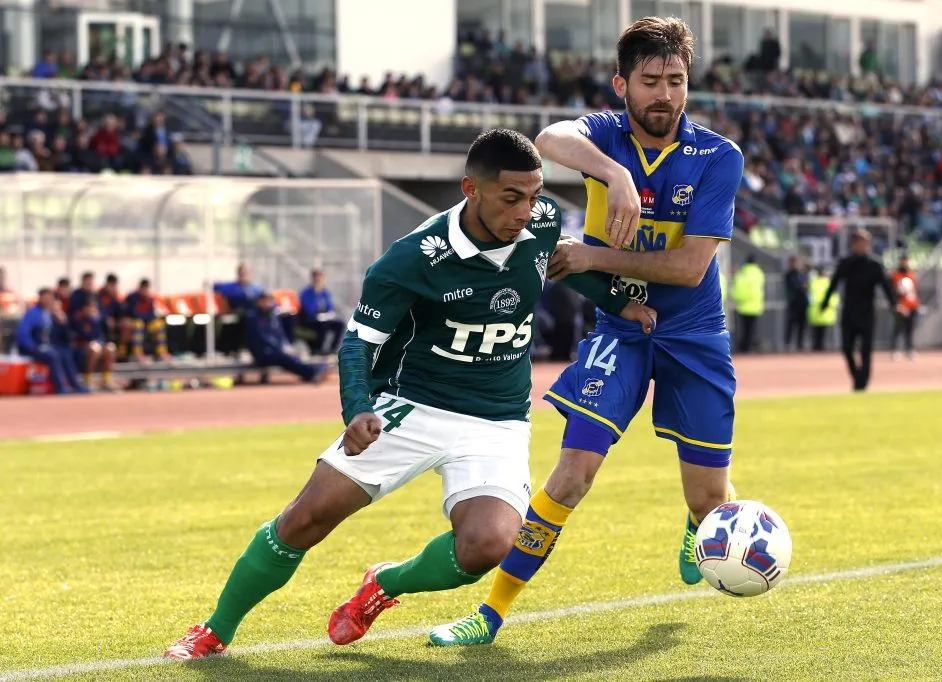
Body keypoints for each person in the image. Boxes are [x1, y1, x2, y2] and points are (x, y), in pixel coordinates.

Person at [163, 129, 656, 660]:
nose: (526, 210)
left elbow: (555, 266)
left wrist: (617, 301)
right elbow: (358, 344)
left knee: (487, 545)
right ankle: (215, 629)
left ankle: (384, 584)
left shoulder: (538, 223)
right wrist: (358, 410)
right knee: (305, 519)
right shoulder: (413, 259)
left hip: (497, 420)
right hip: (413, 405)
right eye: (512, 197)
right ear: (472, 189)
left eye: (535, 195)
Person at [430, 16, 743, 646]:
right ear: (620, 84)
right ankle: (490, 614)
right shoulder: (604, 135)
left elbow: (688, 268)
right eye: (651, 81)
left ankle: (697, 523)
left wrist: (594, 256)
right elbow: (547, 138)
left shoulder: (718, 156)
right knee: (572, 473)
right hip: (621, 330)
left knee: (711, 501)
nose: (665, 95)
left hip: (694, 331)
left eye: (676, 81)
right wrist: (618, 175)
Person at [820, 230, 896, 391]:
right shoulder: (846, 263)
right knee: (847, 348)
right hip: (849, 312)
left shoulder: (874, 265)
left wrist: (894, 305)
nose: (862, 246)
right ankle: (857, 378)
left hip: (867, 313)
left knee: (866, 351)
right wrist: (824, 303)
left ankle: (862, 383)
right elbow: (834, 284)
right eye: (859, 243)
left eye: (865, 243)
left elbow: (886, 286)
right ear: (853, 245)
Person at [15, 288, 87, 394]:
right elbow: (22, 333)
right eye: (45, 298)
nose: (48, 301)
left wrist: (63, 322)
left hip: (49, 346)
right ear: (40, 299)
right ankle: (60, 387)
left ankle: (75, 384)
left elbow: (66, 337)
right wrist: (32, 347)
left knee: (66, 353)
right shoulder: (33, 313)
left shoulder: (51, 314)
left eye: (50, 298)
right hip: (34, 347)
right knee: (54, 355)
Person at [244, 291, 326, 383]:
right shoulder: (253, 317)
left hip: (275, 351)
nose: (267, 303)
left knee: (291, 357)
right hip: (262, 353)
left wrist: (285, 346)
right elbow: (261, 338)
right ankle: (312, 372)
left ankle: (312, 372)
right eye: (264, 301)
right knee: (286, 358)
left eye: (269, 301)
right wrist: (278, 349)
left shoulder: (272, 315)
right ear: (259, 302)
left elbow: (279, 334)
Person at [71, 295, 117, 391]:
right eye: (89, 307)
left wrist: (96, 321)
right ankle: (87, 380)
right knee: (94, 348)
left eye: (93, 307)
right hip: (81, 348)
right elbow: (83, 336)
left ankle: (106, 380)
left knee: (110, 348)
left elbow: (101, 336)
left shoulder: (97, 320)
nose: (91, 310)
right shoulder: (78, 320)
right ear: (83, 308)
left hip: (97, 345)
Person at [298, 268, 346, 355]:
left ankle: (332, 350)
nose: (318, 280)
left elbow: (330, 307)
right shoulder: (306, 293)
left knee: (340, 324)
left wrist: (329, 314)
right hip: (310, 320)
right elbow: (309, 309)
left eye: (320, 278)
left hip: (324, 318)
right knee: (321, 326)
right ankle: (317, 350)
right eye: (316, 278)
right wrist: (316, 293)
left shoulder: (326, 293)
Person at [123, 278, 171, 362]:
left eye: (146, 288)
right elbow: (133, 314)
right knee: (138, 324)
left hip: (147, 323)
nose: (144, 290)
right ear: (139, 288)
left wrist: (145, 317)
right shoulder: (132, 297)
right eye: (143, 288)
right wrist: (144, 317)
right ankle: (137, 353)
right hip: (134, 323)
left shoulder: (150, 299)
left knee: (159, 324)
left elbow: (153, 314)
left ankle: (161, 352)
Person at [731, 255, 766, 353]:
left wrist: (737, 298)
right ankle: (751, 346)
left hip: (742, 306)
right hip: (756, 305)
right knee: (752, 329)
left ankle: (744, 347)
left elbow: (737, 289)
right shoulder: (759, 273)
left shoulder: (742, 273)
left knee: (743, 329)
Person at [890, 255, 919, 359]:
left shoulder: (912, 274)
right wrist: (896, 305)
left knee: (910, 329)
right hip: (900, 306)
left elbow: (915, 291)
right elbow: (892, 292)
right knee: (898, 329)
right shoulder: (895, 275)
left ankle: (910, 349)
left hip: (912, 305)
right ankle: (895, 349)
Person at [807, 267, 838, 351]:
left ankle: (816, 345)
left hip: (815, 309)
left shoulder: (813, 282)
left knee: (816, 331)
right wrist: (834, 305)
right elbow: (834, 295)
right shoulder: (828, 282)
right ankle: (820, 345)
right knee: (822, 331)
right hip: (826, 309)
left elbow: (809, 295)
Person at [784, 255, 809, 350]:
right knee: (790, 325)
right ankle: (787, 344)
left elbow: (805, 285)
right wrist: (801, 286)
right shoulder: (789, 274)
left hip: (802, 303)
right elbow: (796, 286)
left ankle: (800, 344)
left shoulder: (802, 274)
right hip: (793, 303)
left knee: (802, 325)